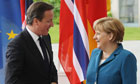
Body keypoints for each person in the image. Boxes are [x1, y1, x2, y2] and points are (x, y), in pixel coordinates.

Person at [5, 2, 58, 84]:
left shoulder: (46, 37)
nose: (52, 25)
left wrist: (54, 81)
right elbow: (11, 81)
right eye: (48, 21)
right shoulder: (17, 45)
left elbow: (50, 67)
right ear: (36, 21)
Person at [86, 17, 137, 84]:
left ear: (111, 36)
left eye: (98, 33)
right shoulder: (95, 53)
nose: (94, 37)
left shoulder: (126, 57)